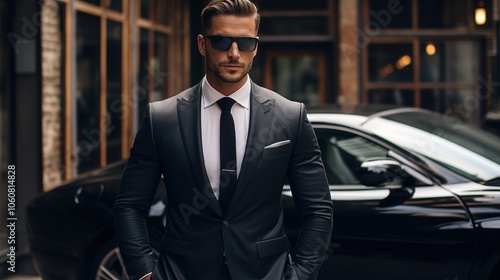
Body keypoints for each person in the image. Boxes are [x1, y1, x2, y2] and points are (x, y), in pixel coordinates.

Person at [114, 0, 333, 279]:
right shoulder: (162, 118)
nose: (234, 53)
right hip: (182, 272)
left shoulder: (289, 116)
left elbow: (318, 209)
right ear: (203, 44)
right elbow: (129, 205)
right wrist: (144, 272)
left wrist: (301, 274)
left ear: (256, 46)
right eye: (221, 41)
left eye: (245, 43)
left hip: (266, 272)